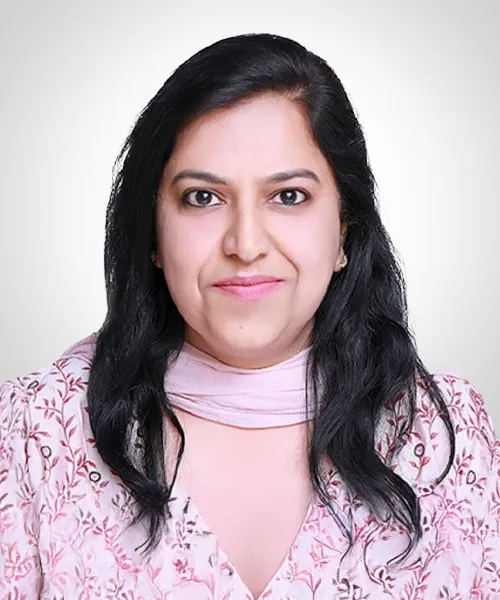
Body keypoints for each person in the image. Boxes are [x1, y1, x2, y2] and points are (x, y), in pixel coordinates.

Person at [0, 32, 498, 600]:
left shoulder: (442, 434)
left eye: (288, 196)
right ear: (154, 234)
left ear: (344, 231)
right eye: (202, 198)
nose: (245, 244)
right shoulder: (37, 428)